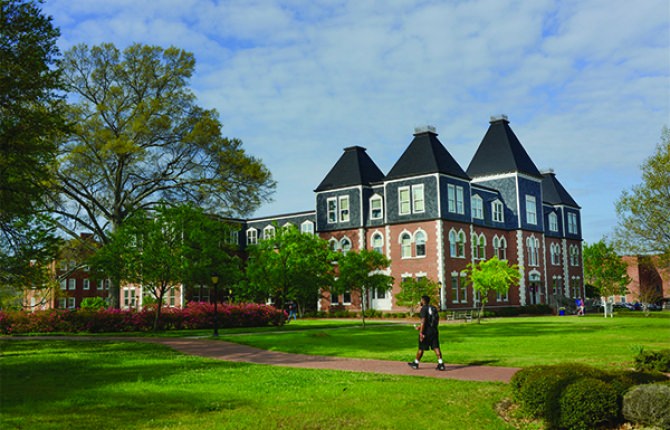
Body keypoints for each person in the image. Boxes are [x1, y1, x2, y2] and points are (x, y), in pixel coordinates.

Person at [408, 295, 445, 371]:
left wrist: (421, 332)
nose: (420, 302)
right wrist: (420, 327)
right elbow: (432, 321)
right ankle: (441, 364)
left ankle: (416, 363)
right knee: (436, 347)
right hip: (434, 331)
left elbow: (423, 321)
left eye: (421, 300)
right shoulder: (433, 308)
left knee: (421, 348)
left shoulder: (423, 309)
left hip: (426, 332)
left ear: (423, 300)